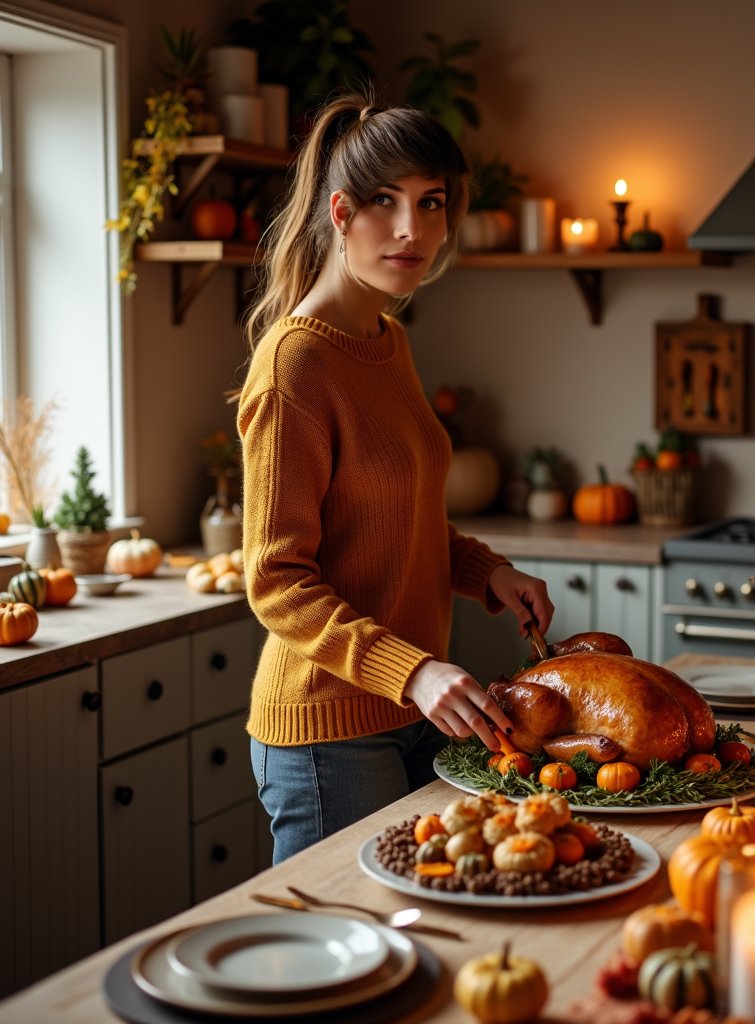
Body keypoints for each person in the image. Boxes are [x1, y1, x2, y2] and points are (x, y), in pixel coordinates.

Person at [235, 92, 554, 864]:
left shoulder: (386, 339)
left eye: (431, 203)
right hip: (328, 733)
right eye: (386, 202)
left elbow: (397, 517)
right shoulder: (295, 364)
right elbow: (276, 580)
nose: (412, 229)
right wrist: (412, 674)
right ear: (341, 214)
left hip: (409, 713)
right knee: (334, 961)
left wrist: (489, 572)